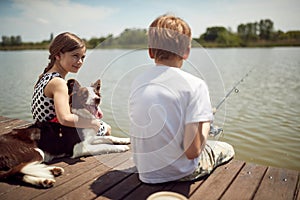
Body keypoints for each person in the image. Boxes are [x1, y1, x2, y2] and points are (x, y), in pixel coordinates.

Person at [129, 14, 234, 184]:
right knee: (227, 149)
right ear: (186, 52)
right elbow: (192, 151)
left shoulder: (138, 82)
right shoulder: (195, 85)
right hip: (180, 174)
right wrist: (206, 121)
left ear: (150, 51)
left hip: (145, 172)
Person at [31, 32, 107, 134]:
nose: (80, 61)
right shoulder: (59, 83)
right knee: (106, 128)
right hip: (55, 136)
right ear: (58, 55)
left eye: (82, 57)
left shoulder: (45, 77)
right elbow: (65, 119)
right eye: (75, 56)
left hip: (44, 132)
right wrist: (93, 123)